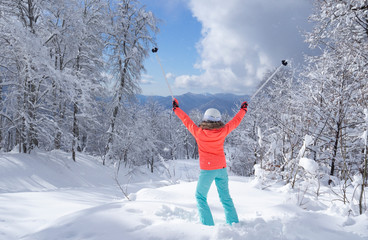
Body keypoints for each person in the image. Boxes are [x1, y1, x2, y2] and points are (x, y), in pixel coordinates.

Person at [172, 98, 248, 226]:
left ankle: (207, 226)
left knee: (200, 197)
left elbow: (186, 120)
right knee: (225, 198)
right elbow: (236, 121)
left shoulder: (199, 133)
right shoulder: (222, 131)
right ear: (218, 120)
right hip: (222, 168)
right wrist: (243, 110)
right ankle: (234, 223)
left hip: (208, 170)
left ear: (205, 119)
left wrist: (176, 109)